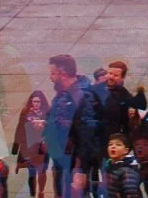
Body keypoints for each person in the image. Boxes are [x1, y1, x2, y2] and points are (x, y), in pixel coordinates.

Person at [46, 55, 90, 198]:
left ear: (63, 74)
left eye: (53, 73)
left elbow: (84, 137)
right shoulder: (63, 94)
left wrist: (79, 169)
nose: (50, 78)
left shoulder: (78, 98)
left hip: (72, 164)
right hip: (61, 159)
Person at [13, 89, 51, 197]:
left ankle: (41, 191)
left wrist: (44, 124)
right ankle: (32, 194)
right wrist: (16, 148)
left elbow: (53, 127)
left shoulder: (48, 111)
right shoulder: (25, 112)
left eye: (38, 102)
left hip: (44, 148)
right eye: (34, 101)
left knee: (42, 171)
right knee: (32, 173)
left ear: (42, 102)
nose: (36, 104)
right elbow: (20, 129)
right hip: (29, 148)